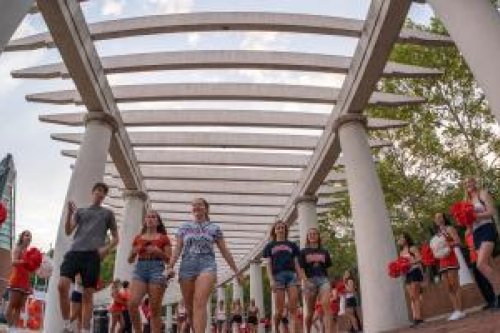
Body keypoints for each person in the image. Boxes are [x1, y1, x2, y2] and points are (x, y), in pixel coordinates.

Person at [166, 198, 243, 333]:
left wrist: (236, 271)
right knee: (190, 309)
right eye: (194, 205)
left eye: (200, 204)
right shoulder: (184, 227)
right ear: (192, 209)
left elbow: (224, 251)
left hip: (207, 265)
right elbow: (177, 248)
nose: (196, 207)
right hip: (187, 266)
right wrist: (170, 265)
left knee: (199, 302)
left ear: (206, 208)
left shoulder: (214, 228)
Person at [58, 182, 118, 333]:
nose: (100, 193)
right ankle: (66, 324)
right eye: (98, 190)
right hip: (74, 252)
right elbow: (68, 231)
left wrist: (106, 249)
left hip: (92, 256)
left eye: (103, 192)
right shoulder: (81, 211)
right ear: (93, 192)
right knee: (61, 286)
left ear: (104, 196)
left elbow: (116, 238)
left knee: (88, 294)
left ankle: (84, 330)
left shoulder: (108, 214)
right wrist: (69, 214)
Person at [127, 210, 172, 333]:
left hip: (157, 269)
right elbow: (129, 260)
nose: (151, 219)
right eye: (148, 216)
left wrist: (159, 252)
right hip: (140, 268)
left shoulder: (164, 238)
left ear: (158, 222)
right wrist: (134, 252)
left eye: (154, 217)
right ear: (145, 221)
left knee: (155, 309)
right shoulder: (138, 238)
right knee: (132, 303)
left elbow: (169, 260)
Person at [465, 177, 500, 307]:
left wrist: (476, 216)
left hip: (487, 229)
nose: (468, 184)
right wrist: (467, 224)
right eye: (466, 183)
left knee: (481, 264)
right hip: (476, 234)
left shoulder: (483, 194)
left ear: (475, 183)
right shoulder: (466, 201)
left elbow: (492, 211)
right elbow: (468, 223)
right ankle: (498, 295)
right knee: (490, 265)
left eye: (470, 181)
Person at [263, 221, 302, 333]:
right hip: (277, 277)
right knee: (279, 310)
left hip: (292, 276)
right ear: (274, 231)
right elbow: (268, 264)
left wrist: (300, 278)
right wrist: (271, 279)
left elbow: (296, 263)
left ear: (285, 229)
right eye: (278, 228)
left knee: (293, 308)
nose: (280, 229)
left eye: (282, 227)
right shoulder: (269, 246)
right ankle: (275, 329)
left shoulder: (292, 245)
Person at [299, 228, 332, 333]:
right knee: (310, 312)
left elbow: (327, 268)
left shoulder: (324, 251)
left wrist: (329, 281)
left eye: (314, 234)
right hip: (310, 281)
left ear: (318, 236)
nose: (312, 235)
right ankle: (307, 331)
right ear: (307, 237)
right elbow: (301, 269)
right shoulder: (303, 252)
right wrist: (306, 282)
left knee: (326, 306)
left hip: (323, 280)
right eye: (310, 234)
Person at [433, 212, 465, 320]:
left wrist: (447, 244)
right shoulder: (436, 234)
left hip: (451, 259)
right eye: (436, 218)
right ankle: (456, 310)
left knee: (455, 285)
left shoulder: (449, 228)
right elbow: (436, 249)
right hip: (442, 262)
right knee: (448, 287)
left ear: (444, 218)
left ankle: (460, 310)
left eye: (440, 217)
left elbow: (459, 242)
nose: (438, 219)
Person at [5, 230, 32, 330]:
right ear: (22, 237)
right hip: (16, 280)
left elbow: (29, 268)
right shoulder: (18, 248)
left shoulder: (29, 252)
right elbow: (13, 262)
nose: (29, 237)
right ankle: (10, 327)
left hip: (25, 282)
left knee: (19, 308)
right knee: (11, 306)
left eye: (30, 236)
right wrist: (24, 261)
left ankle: (15, 329)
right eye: (27, 235)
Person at [465, 225, 496, 309]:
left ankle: (494, 299)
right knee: (480, 282)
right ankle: (489, 301)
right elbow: (468, 245)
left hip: (481, 256)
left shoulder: (477, 229)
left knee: (486, 279)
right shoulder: (466, 232)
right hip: (473, 258)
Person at [398, 233, 424, 327]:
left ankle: (418, 318)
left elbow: (420, 258)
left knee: (415, 296)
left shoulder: (412, 248)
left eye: (401, 237)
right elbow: (401, 265)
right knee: (412, 297)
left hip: (415, 272)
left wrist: (410, 263)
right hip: (407, 275)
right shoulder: (401, 252)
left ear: (406, 238)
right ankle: (416, 317)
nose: (400, 239)